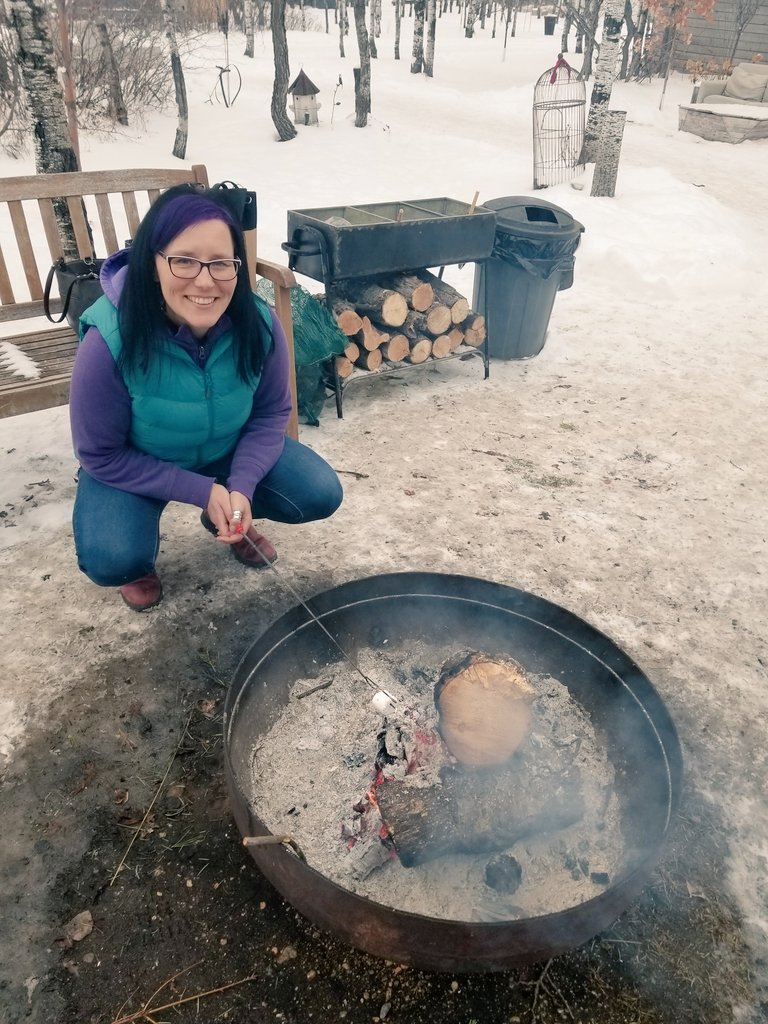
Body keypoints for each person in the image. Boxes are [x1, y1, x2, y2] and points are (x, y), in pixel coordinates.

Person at [69, 183, 343, 612]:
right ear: (152, 264)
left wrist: (241, 487)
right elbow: (100, 454)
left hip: (225, 450)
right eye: (184, 261)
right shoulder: (108, 339)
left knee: (319, 492)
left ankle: (229, 516)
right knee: (114, 558)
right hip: (139, 461)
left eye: (220, 263)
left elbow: (270, 413)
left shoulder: (259, 323)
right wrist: (199, 489)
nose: (205, 280)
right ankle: (138, 565)